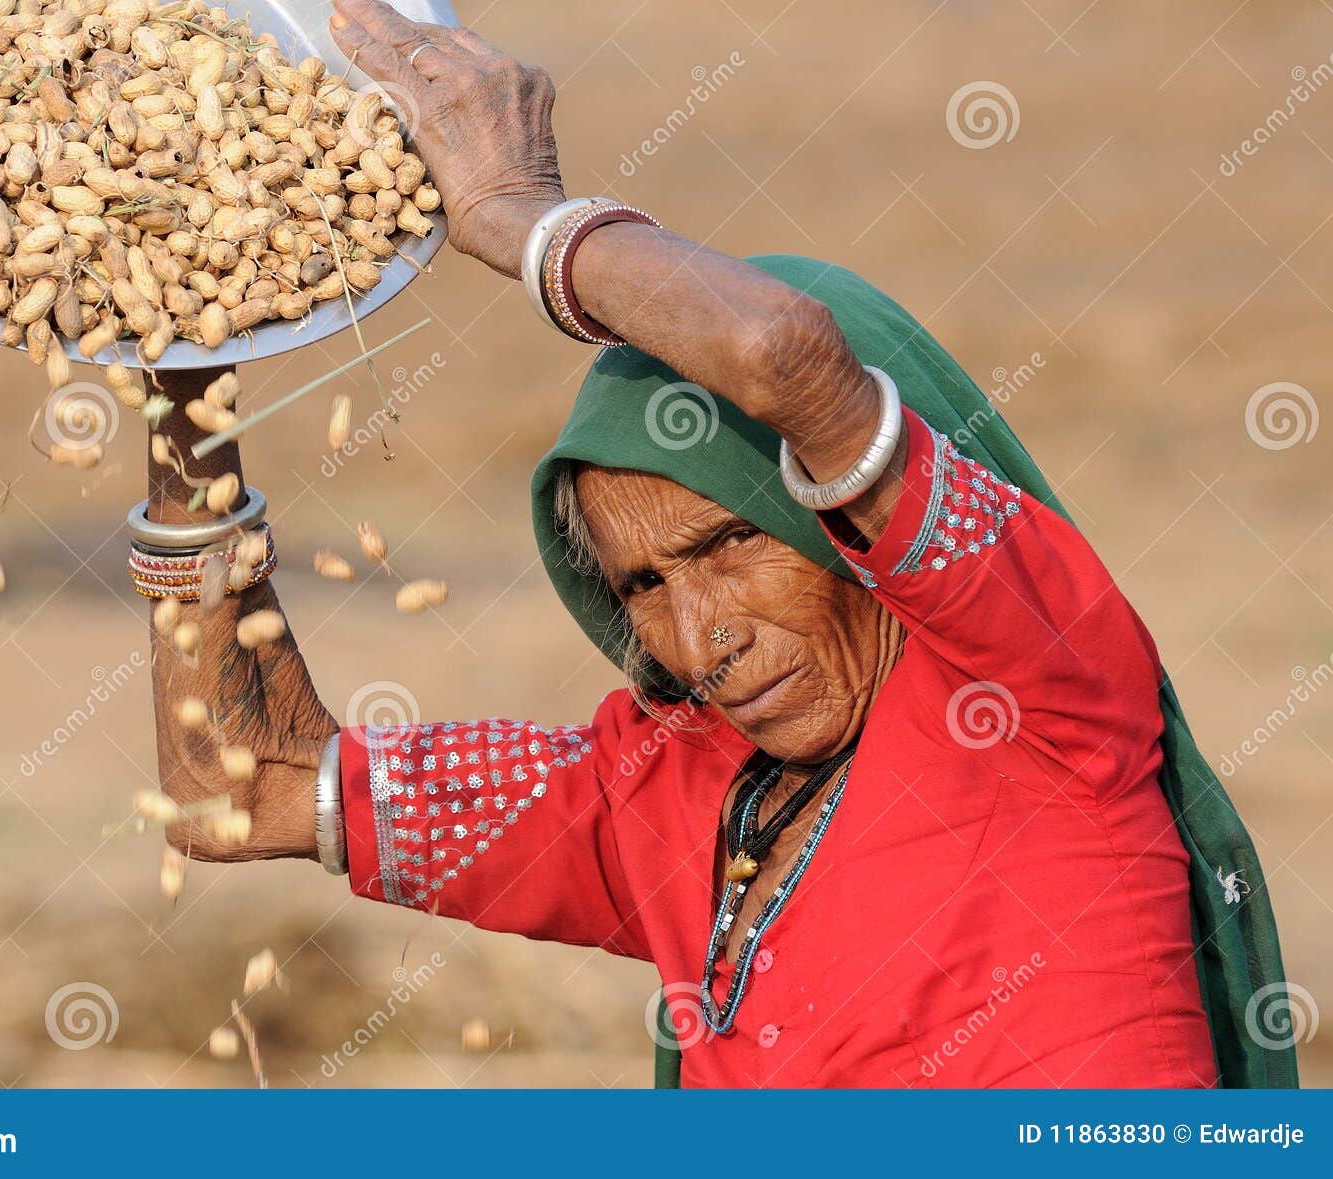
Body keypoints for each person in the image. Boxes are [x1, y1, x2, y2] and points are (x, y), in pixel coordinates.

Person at [130, 0, 1295, 1087]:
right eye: (641, 584)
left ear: (835, 519)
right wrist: (182, 368)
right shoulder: (660, 792)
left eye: (731, 542)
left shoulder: (1032, 681)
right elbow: (240, 786)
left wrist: (516, 216)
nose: (701, 640)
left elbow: (784, 355)